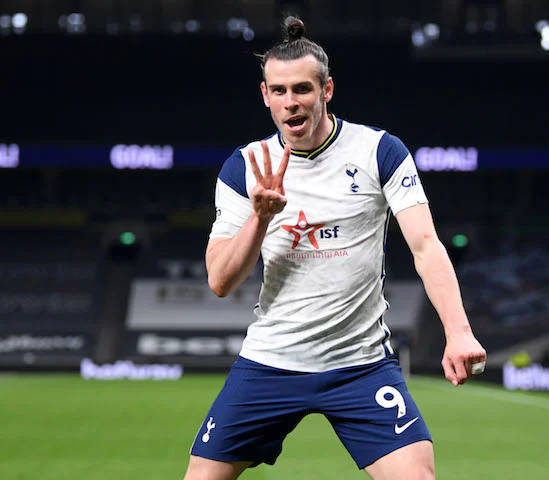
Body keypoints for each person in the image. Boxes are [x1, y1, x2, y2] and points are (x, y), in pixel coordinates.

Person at [184, 16, 486, 480]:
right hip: (271, 362)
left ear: (327, 90)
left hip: (360, 365)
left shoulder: (379, 151)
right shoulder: (244, 166)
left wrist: (459, 331)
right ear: (265, 95)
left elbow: (426, 246)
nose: (290, 102)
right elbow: (220, 281)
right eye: (279, 91)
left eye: (302, 89)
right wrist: (261, 217)